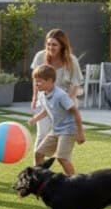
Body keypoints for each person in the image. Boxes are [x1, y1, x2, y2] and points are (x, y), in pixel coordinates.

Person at [30, 29, 83, 160]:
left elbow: (75, 85)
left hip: (65, 102)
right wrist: (35, 97)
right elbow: (36, 79)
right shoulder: (40, 57)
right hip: (45, 101)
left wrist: (66, 103)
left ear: (62, 46)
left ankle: (65, 166)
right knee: (42, 135)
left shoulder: (71, 60)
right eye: (48, 44)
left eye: (54, 45)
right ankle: (38, 170)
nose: (50, 47)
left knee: (63, 137)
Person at [27, 64, 86, 176]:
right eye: (35, 81)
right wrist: (35, 119)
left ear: (49, 80)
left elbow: (75, 112)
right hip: (56, 130)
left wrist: (80, 133)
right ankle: (41, 178)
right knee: (38, 153)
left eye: (39, 81)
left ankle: (74, 183)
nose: (36, 84)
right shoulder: (42, 94)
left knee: (62, 158)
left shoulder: (60, 95)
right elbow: (46, 110)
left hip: (69, 130)